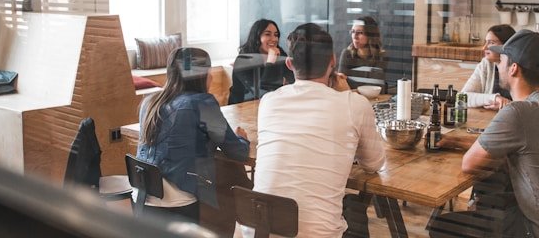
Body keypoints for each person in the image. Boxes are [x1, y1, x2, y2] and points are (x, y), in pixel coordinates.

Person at [435, 30, 539, 238]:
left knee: (441, 226)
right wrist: (455, 141)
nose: (497, 64)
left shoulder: (519, 112)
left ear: (513, 69)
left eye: (501, 59)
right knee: (494, 193)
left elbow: (469, 163)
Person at [245, 23, 386, 238]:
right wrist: (346, 94)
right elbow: (374, 163)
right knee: (355, 215)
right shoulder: (354, 104)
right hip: (318, 234)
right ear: (332, 61)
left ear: (290, 64)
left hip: (258, 232)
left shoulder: (269, 101)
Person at [135, 47, 251, 228]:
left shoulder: (149, 102)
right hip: (178, 200)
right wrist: (242, 138)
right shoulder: (202, 103)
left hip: (143, 196)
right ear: (203, 74)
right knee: (227, 187)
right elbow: (238, 152)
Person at [228, 19, 295, 104]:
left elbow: (293, 79)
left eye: (276, 35)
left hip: (271, 104)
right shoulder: (243, 60)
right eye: (267, 34)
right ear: (256, 37)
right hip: (242, 107)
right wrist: (270, 62)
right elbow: (261, 92)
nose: (274, 39)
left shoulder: (279, 53)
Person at [461, 24, 515, 110]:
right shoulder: (486, 65)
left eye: (491, 43)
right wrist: (494, 98)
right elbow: (463, 97)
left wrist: (507, 105)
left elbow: (529, 105)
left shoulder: (519, 68)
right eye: (485, 42)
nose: (484, 48)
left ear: (506, 45)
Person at [337, 16, 388, 89]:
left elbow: (377, 86)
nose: (355, 36)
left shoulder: (381, 56)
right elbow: (341, 84)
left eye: (360, 32)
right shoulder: (347, 54)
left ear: (371, 35)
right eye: (353, 32)